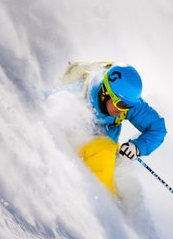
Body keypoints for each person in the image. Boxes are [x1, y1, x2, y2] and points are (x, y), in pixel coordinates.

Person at [64, 61, 166, 194]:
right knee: (103, 158)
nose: (124, 110)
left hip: (107, 148)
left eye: (129, 106)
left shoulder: (127, 100)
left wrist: (137, 147)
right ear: (105, 93)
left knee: (120, 174)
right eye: (121, 105)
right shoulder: (77, 96)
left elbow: (158, 128)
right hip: (80, 151)